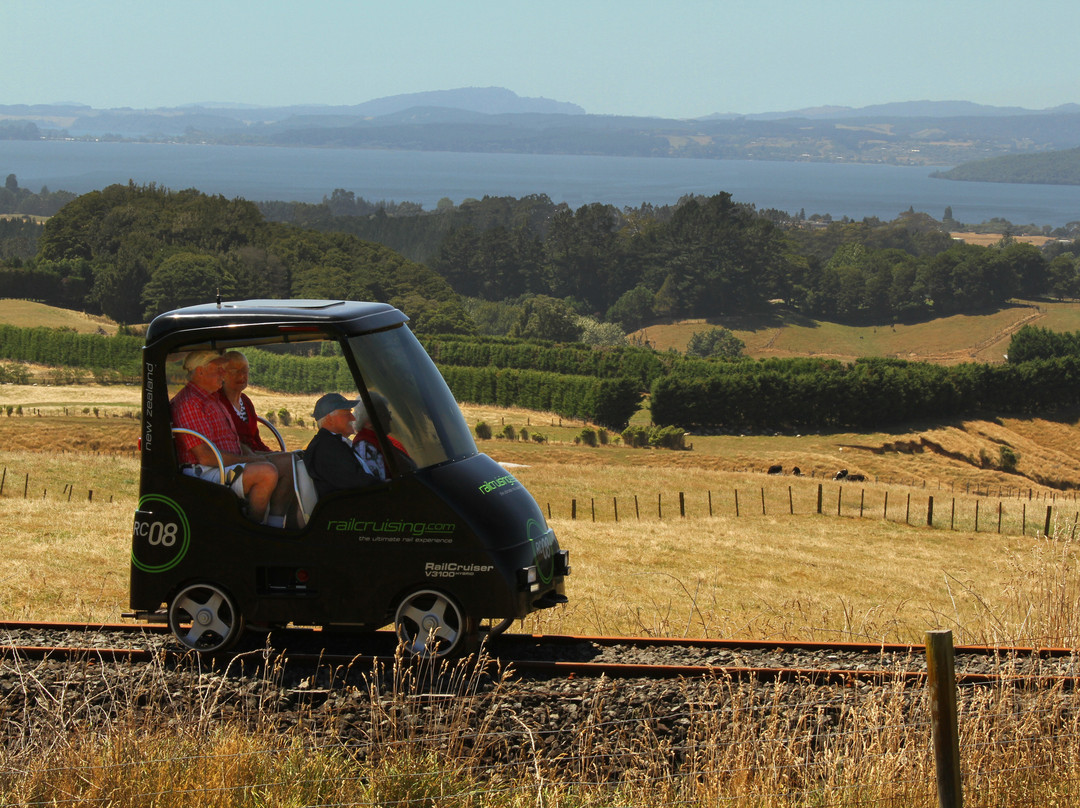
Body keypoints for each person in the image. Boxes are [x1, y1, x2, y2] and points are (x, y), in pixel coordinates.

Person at [170, 350, 292, 527]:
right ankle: (255, 532)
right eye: (217, 369)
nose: (222, 373)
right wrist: (251, 459)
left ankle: (277, 525)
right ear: (200, 371)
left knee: (288, 464)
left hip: (222, 466)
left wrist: (258, 456)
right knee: (266, 472)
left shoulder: (212, 398)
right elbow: (206, 456)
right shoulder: (190, 403)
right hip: (205, 473)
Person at [303, 392, 380, 498]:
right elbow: (354, 481)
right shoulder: (326, 448)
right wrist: (384, 485)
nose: (353, 418)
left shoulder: (333, 443)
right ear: (330, 419)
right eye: (347, 413)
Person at [217, 350, 273, 452]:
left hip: (256, 456)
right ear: (222, 374)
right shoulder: (217, 402)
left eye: (245, 370)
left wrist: (272, 454)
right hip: (238, 460)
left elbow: (256, 439)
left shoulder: (246, 401)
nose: (242, 375)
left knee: (295, 458)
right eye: (235, 371)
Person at [352, 391, 415, 480]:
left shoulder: (383, 440)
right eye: (385, 415)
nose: (390, 418)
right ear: (368, 421)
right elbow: (378, 483)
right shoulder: (364, 446)